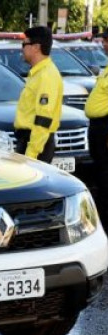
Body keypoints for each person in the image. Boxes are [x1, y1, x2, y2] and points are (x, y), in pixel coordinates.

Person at [13, 26, 63, 162]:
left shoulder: (46, 75)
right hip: (28, 140)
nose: (22, 48)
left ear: (36, 47)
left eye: (24, 44)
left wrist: (32, 154)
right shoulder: (38, 73)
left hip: (36, 145)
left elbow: (43, 118)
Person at [84, 32, 108, 213]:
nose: (104, 44)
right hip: (98, 126)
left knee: (105, 172)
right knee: (100, 169)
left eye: (107, 41)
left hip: (105, 125)